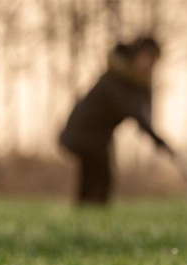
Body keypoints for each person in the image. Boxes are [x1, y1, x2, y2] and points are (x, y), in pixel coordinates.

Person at [59, 36, 173, 205]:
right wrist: (156, 139)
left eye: (154, 60)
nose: (150, 64)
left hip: (99, 136)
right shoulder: (116, 79)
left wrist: (157, 139)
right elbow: (133, 112)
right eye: (147, 57)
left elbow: (141, 113)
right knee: (98, 175)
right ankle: (88, 213)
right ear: (137, 55)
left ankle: (89, 214)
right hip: (84, 132)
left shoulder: (134, 81)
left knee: (98, 176)